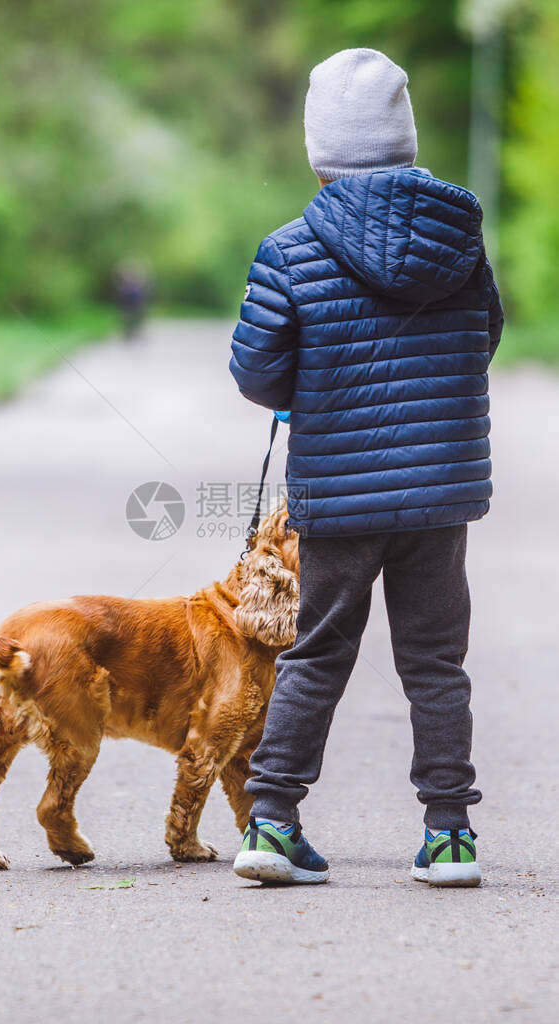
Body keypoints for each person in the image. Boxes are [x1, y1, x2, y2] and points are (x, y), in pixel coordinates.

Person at [229, 48, 503, 887]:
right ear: (404, 142)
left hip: (338, 495)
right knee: (434, 662)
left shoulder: (289, 246)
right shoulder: (460, 233)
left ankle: (271, 822)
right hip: (438, 494)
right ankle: (449, 835)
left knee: (315, 655)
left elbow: (257, 374)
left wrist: (309, 384)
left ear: (319, 150)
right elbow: (483, 340)